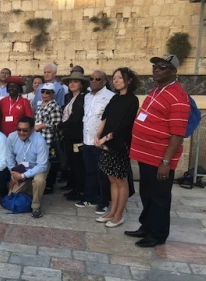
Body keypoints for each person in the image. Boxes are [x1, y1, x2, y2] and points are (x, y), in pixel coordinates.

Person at [127, 54, 190, 247]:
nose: (156, 70)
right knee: (146, 193)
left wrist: (166, 162)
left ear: (173, 71)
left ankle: (158, 234)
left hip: (159, 158)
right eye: (155, 66)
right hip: (145, 155)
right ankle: (146, 226)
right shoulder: (156, 91)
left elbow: (178, 134)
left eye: (162, 67)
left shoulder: (178, 97)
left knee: (159, 197)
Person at [94, 67, 140, 228]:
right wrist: (97, 135)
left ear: (129, 80)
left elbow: (125, 125)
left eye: (120, 77)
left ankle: (119, 215)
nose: (116, 80)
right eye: (114, 78)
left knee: (121, 181)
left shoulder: (132, 100)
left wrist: (106, 137)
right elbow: (105, 118)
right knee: (112, 179)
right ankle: (112, 211)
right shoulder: (114, 99)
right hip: (107, 144)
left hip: (120, 144)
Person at [75, 71, 115, 215]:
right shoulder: (87, 97)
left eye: (98, 79)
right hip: (87, 140)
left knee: (102, 174)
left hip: (100, 142)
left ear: (104, 82)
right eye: (91, 79)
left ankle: (103, 202)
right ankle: (89, 197)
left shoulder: (110, 97)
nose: (94, 81)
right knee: (89, 171)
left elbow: (109, 121)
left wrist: (104, 139)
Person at [6, 116, 50, 218]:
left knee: (39, 181)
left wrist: (22, 176)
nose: (21, 132)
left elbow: (42, 165)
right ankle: (30, 188)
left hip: (38, 167)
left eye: (25, 130)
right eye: (19, 129)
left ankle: (36, 205)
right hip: (20, 167)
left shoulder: (40, 141)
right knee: (12, 195)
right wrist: (13, 174)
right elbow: (9, 157)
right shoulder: (12, 137)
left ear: (32, 129)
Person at [58, 72, 88, 201]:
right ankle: (76, 187)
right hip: (69, 136)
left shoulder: (81, 98)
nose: (72, 84)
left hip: (76, 136)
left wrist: (61, 125)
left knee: (77, 164)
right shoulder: (71, 98)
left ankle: (80, 190)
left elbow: (75, 118)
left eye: (76, 81)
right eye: (70, 82)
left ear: (81, 84)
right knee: (73, 163)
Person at [34, 83, 63, 193]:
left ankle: (49, 185)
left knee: (49, 162)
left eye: (48, 92)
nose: (45, 94)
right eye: (43, 91)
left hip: (49, 139)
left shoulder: (54, 106)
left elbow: (57, 124)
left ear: (53, 94)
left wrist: (41, 126)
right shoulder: (41, 104)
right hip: (39, 139)